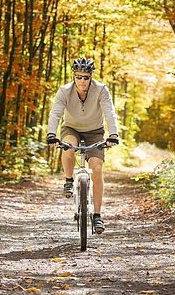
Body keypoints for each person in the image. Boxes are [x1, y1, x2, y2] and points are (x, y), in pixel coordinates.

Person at [46, 57, 119, 234]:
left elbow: (110, 112)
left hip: (95, 131)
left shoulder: (101, 90)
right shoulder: (64, 91)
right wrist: (51, 133)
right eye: (78, 77)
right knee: (68, 146)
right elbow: (56, 112)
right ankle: (69, 180)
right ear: (74, 76)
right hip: (71, 128)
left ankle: (97, 215)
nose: (82, 81)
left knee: (97, 168)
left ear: (91, 77)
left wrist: (113, 134)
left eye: (86, 77)